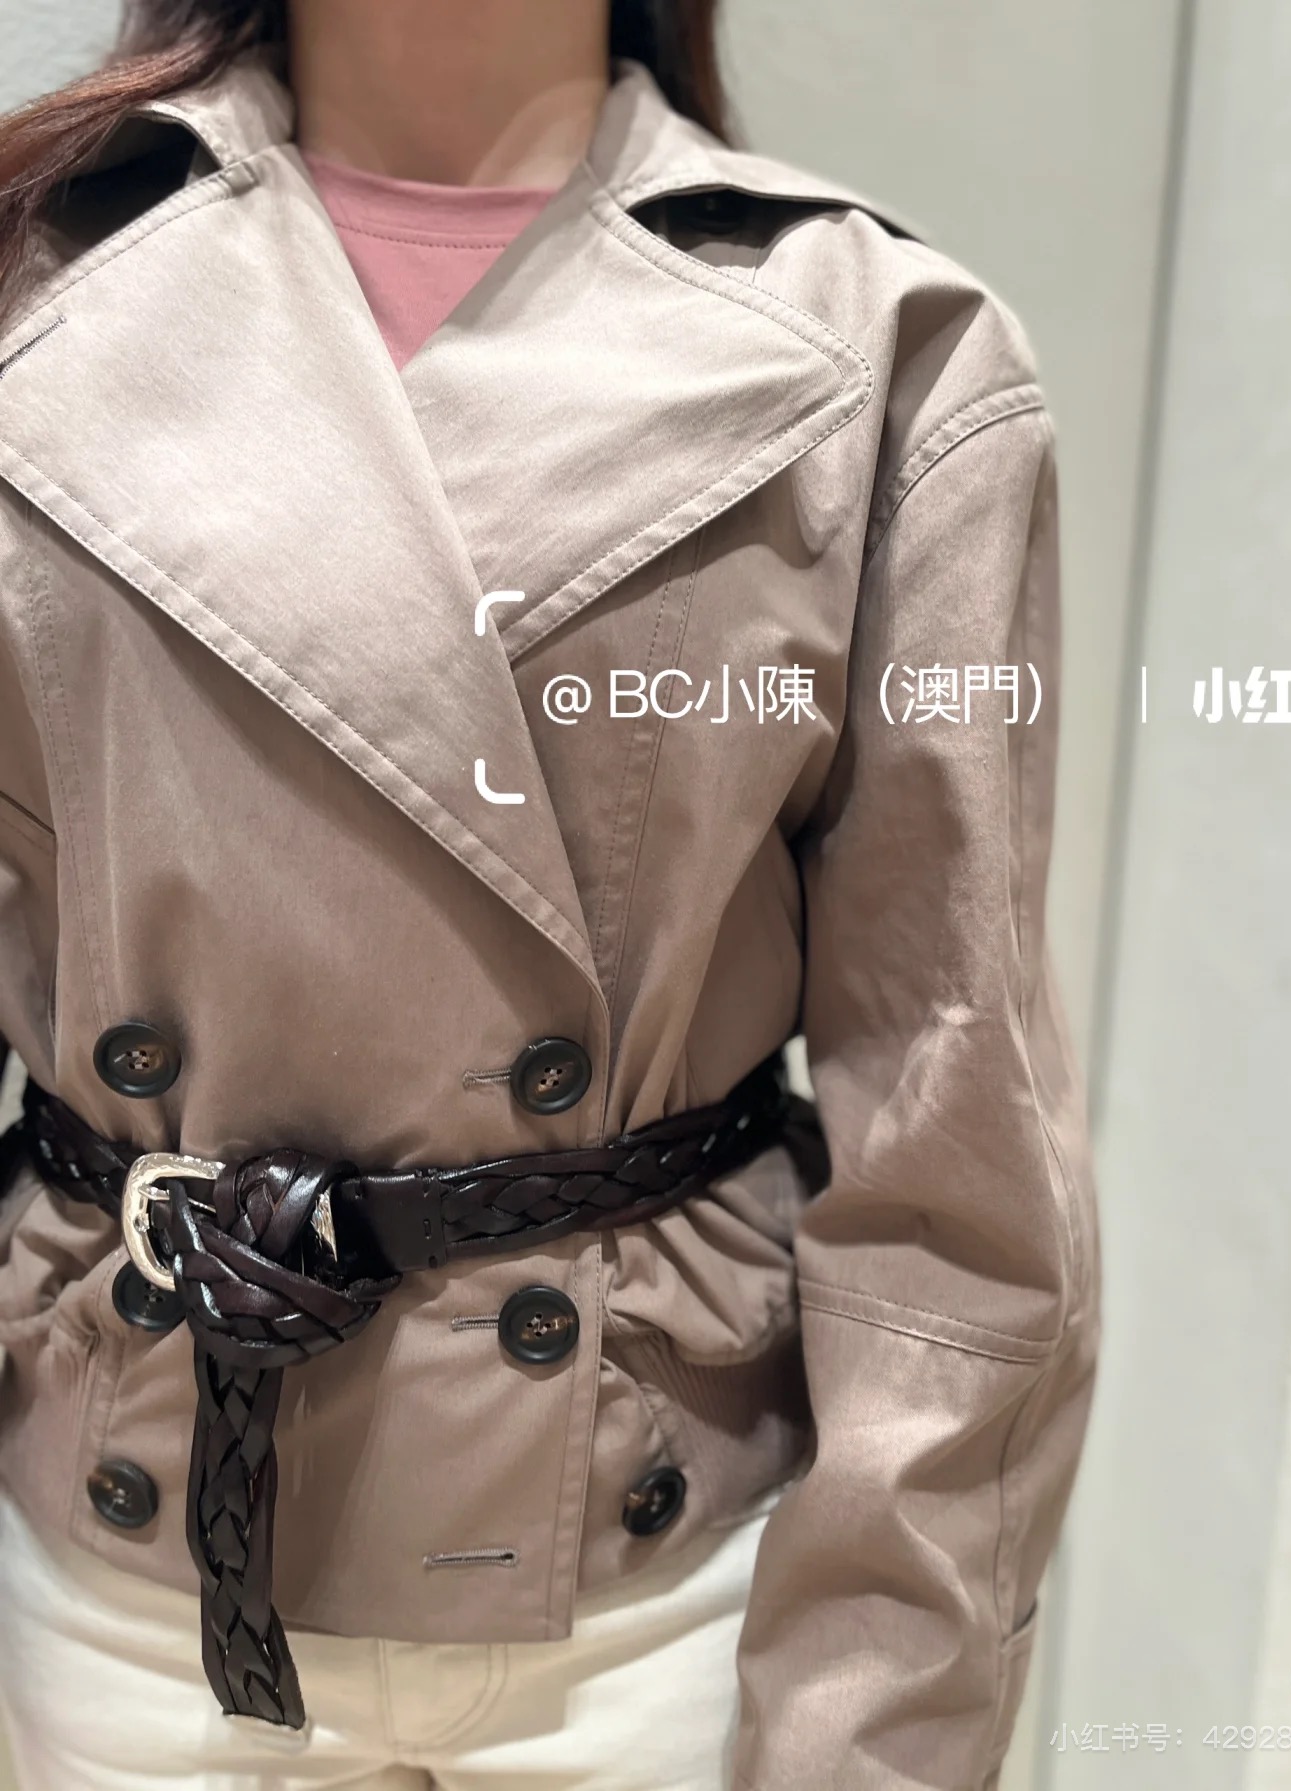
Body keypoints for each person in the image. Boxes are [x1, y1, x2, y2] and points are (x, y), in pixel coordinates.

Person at [0, 2, 1101, 1786]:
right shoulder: (34, 295)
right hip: (128, 1553)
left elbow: (956, 1134)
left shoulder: (890, 350)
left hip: (650, 1587)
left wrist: (878, 1715)